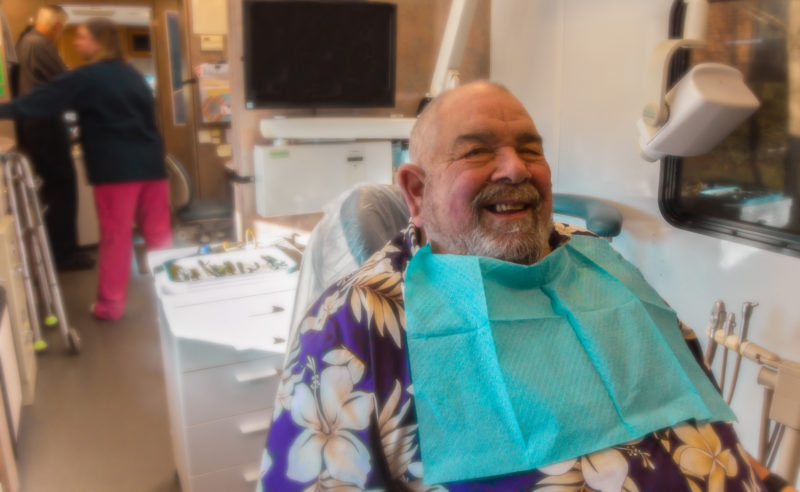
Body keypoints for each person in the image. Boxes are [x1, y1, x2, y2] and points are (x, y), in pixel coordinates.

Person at [259, 82, 795, 491]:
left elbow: (699, 406)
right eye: (477, 152)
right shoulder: (357, 322)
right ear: (417, 192)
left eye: (530, 149)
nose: (515, 168)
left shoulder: (596, 262)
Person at [0, 17, 172, 321]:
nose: (77, 43)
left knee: (116, 238)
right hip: (152, 166)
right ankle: (172, 297)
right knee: (159, 235)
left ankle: (109, 307)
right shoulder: (133, 76)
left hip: (116, 170)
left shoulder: (88, 76)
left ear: (98, 41)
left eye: (82, 37)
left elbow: (40, 102)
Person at [14, 5, 94, 271]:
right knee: (62, 188)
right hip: (45, 126)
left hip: (36, 126)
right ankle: (65, 254)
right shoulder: (40, 43)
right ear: (57, 27)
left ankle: (58, 252)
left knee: (55, 188)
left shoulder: (26, 42)